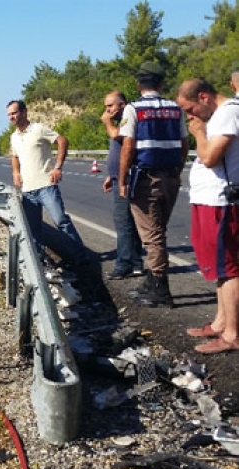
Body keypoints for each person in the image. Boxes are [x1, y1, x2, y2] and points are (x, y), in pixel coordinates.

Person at [118, 61, 189, 308]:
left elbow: (128, 146)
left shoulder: (133, 109)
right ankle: (150, 282)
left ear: (139, 84)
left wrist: (122, 177)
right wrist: (177, 170)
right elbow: (184, 144)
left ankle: (160, 288)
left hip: (146, 178)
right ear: (160, 83)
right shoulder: (175, 108)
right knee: (158, 229)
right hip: (170, 176)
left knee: (152, 234)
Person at [176, 78, 239, 353]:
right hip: (207, 200)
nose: (189, 116)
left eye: (190, 109)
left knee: (229, 268)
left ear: (204, 97)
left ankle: (233, 334)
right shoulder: (217, 115)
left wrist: (199, 133)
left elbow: (211, 157)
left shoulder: (229, 112)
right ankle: (220, 323)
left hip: (221, 201)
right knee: (218, 267)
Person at [5, 100, 89, 266]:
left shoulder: (39, 129)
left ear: (24, 112)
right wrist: (15, 172)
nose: (11, 117)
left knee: (61, 221)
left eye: (14, 113)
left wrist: (58, 167)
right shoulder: (14, 137)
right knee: (33, 228)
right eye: (9, 115)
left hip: (46, 186)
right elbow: (14, 157)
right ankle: (39, 260)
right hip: (28, 189)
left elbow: (62, 141)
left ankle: (80, 256)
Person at [101, 91, 145, 280]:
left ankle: (124, 264)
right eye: (106, 107)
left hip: (127, 178)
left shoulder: (128, 116)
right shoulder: (124, 118)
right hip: (120, 176)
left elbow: (117, 136)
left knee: (123, 221)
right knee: (129, 221)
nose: (107, 110)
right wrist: (111, 175)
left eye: (110, 106)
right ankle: (136, 263)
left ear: (122, 104)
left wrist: (106, 122)